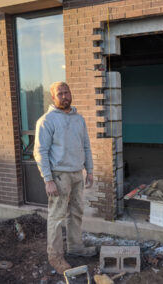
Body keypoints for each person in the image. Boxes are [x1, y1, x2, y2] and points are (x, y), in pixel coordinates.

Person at [34, 81, 96, 273]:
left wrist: (90, 170)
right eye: (59, 94)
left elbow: (85, 145)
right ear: (53, 98)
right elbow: (40, 152)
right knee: (57, 217)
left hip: (77, 173)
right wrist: (48, 179)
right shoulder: (47, 120)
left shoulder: (79, 119)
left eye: (66, 92)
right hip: (59, 176)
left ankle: (75, 247)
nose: (64, 96)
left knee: (76, 212)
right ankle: (55, 257)